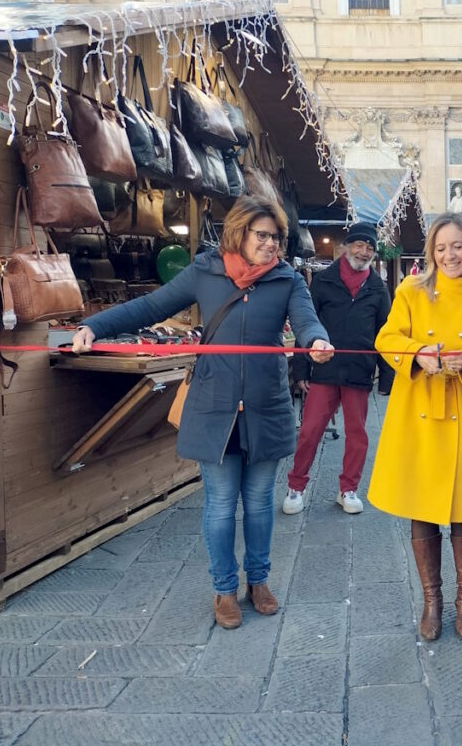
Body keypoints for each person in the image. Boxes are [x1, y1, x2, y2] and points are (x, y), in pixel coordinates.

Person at [72, 196, 333, 630]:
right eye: (262, 236)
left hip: (266, 404)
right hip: (215, 406)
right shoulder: (206, 271)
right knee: (220, 505)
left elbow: (307, 322)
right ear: (240, 233)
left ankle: (260, 581)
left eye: (277, 238)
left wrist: (317, 341)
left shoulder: (288, 280)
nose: (271, 245)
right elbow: (149, 307)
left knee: (260, 504)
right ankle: (224, 589)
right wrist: (95, 326)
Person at [367, 212, 462, 640]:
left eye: (458, 246)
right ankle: (432, 601)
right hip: (417, 411)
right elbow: (387, 338)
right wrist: (419, 353)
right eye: (441, 247)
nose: (449, 255)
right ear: (431, 252)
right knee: (422, 509)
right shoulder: (411, 290)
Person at [284, 221, 395, 515]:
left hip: (359, 371)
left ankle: (348, 489)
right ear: (346, 247)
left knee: (358, 434)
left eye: (370, 248)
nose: (364, 252)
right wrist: (302, 371)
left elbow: (386, 332)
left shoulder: (378, 288)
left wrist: (387, 378)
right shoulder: (323, 281)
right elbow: (305, 323)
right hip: (323, 369)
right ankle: (296, 486)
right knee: (309, 430)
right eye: (359, 245)